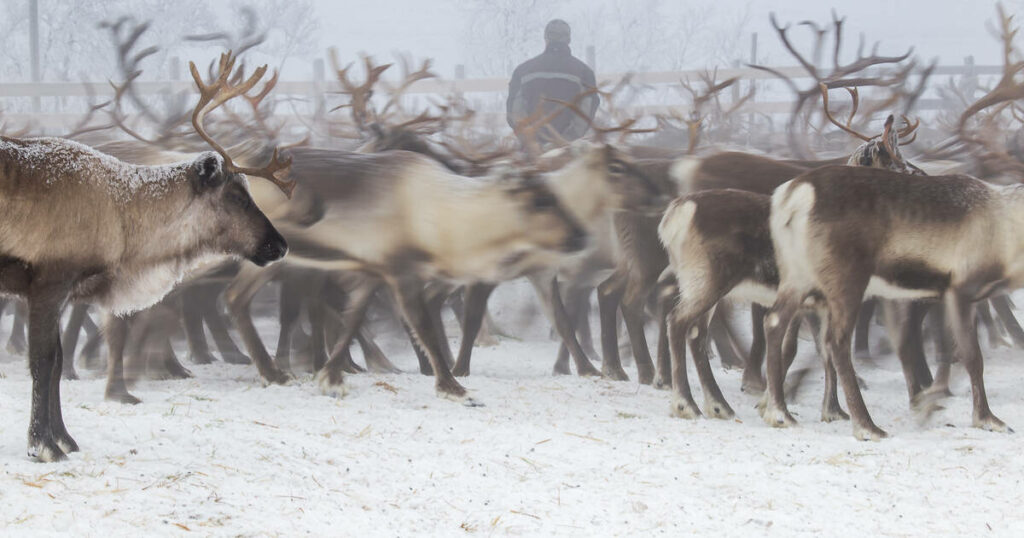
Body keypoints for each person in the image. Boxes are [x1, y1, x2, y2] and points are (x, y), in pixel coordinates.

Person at [506, 19, 599, 147]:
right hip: (567, 152)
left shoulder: (523, 70)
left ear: (546, 39)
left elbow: (514, 111)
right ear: (569, 40)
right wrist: (566, 141)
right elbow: (585, 113)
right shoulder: (584, 72)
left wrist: (530, 140)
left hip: (532, 152)